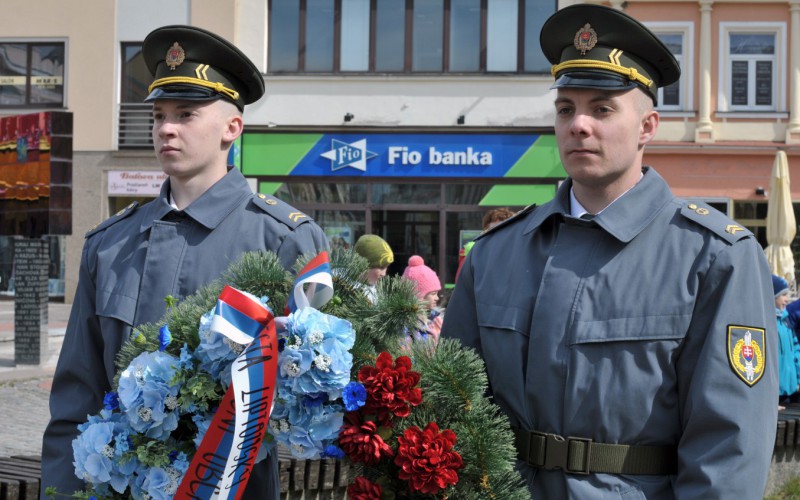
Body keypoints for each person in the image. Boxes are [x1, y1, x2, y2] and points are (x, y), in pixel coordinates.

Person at [441, 4, 777, 498]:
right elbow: (453, 407)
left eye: (602, 108)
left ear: (647, 127)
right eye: (565, 108)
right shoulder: (496, 255)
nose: (579, 124)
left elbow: (729, 447)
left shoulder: (714, 257)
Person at [40, 25, 328, 499]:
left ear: (232, 127)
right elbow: (77, 394)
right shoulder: (111, 244)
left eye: (187, 114)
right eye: (158, 115)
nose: (166, 128)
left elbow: (312, 393)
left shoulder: (283, 240)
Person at [455, 207, 515, 282]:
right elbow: (463, 287)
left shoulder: (519, 254)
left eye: (503, 229)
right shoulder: (474, 255)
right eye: (493, 230)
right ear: (486, 231)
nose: (498, 234)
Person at [402, 255, 444, 345]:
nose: (437, 298)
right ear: (418, 296)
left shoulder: (436, 319)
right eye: (433, 294)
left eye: (437, 293)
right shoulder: (406, 325)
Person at [774, 275, 800, 409]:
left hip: (792, 389)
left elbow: (796, 349)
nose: (787, 299)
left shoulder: (786, 321)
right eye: (783, 295)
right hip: (776, 394)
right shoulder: (768, 323)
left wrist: (798, 378)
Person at [353, 234, 393, 303]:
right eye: (381, 267)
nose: (384, 274)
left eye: (386, 267)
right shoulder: (344, 289)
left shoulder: (374, 289)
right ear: (364, 265)